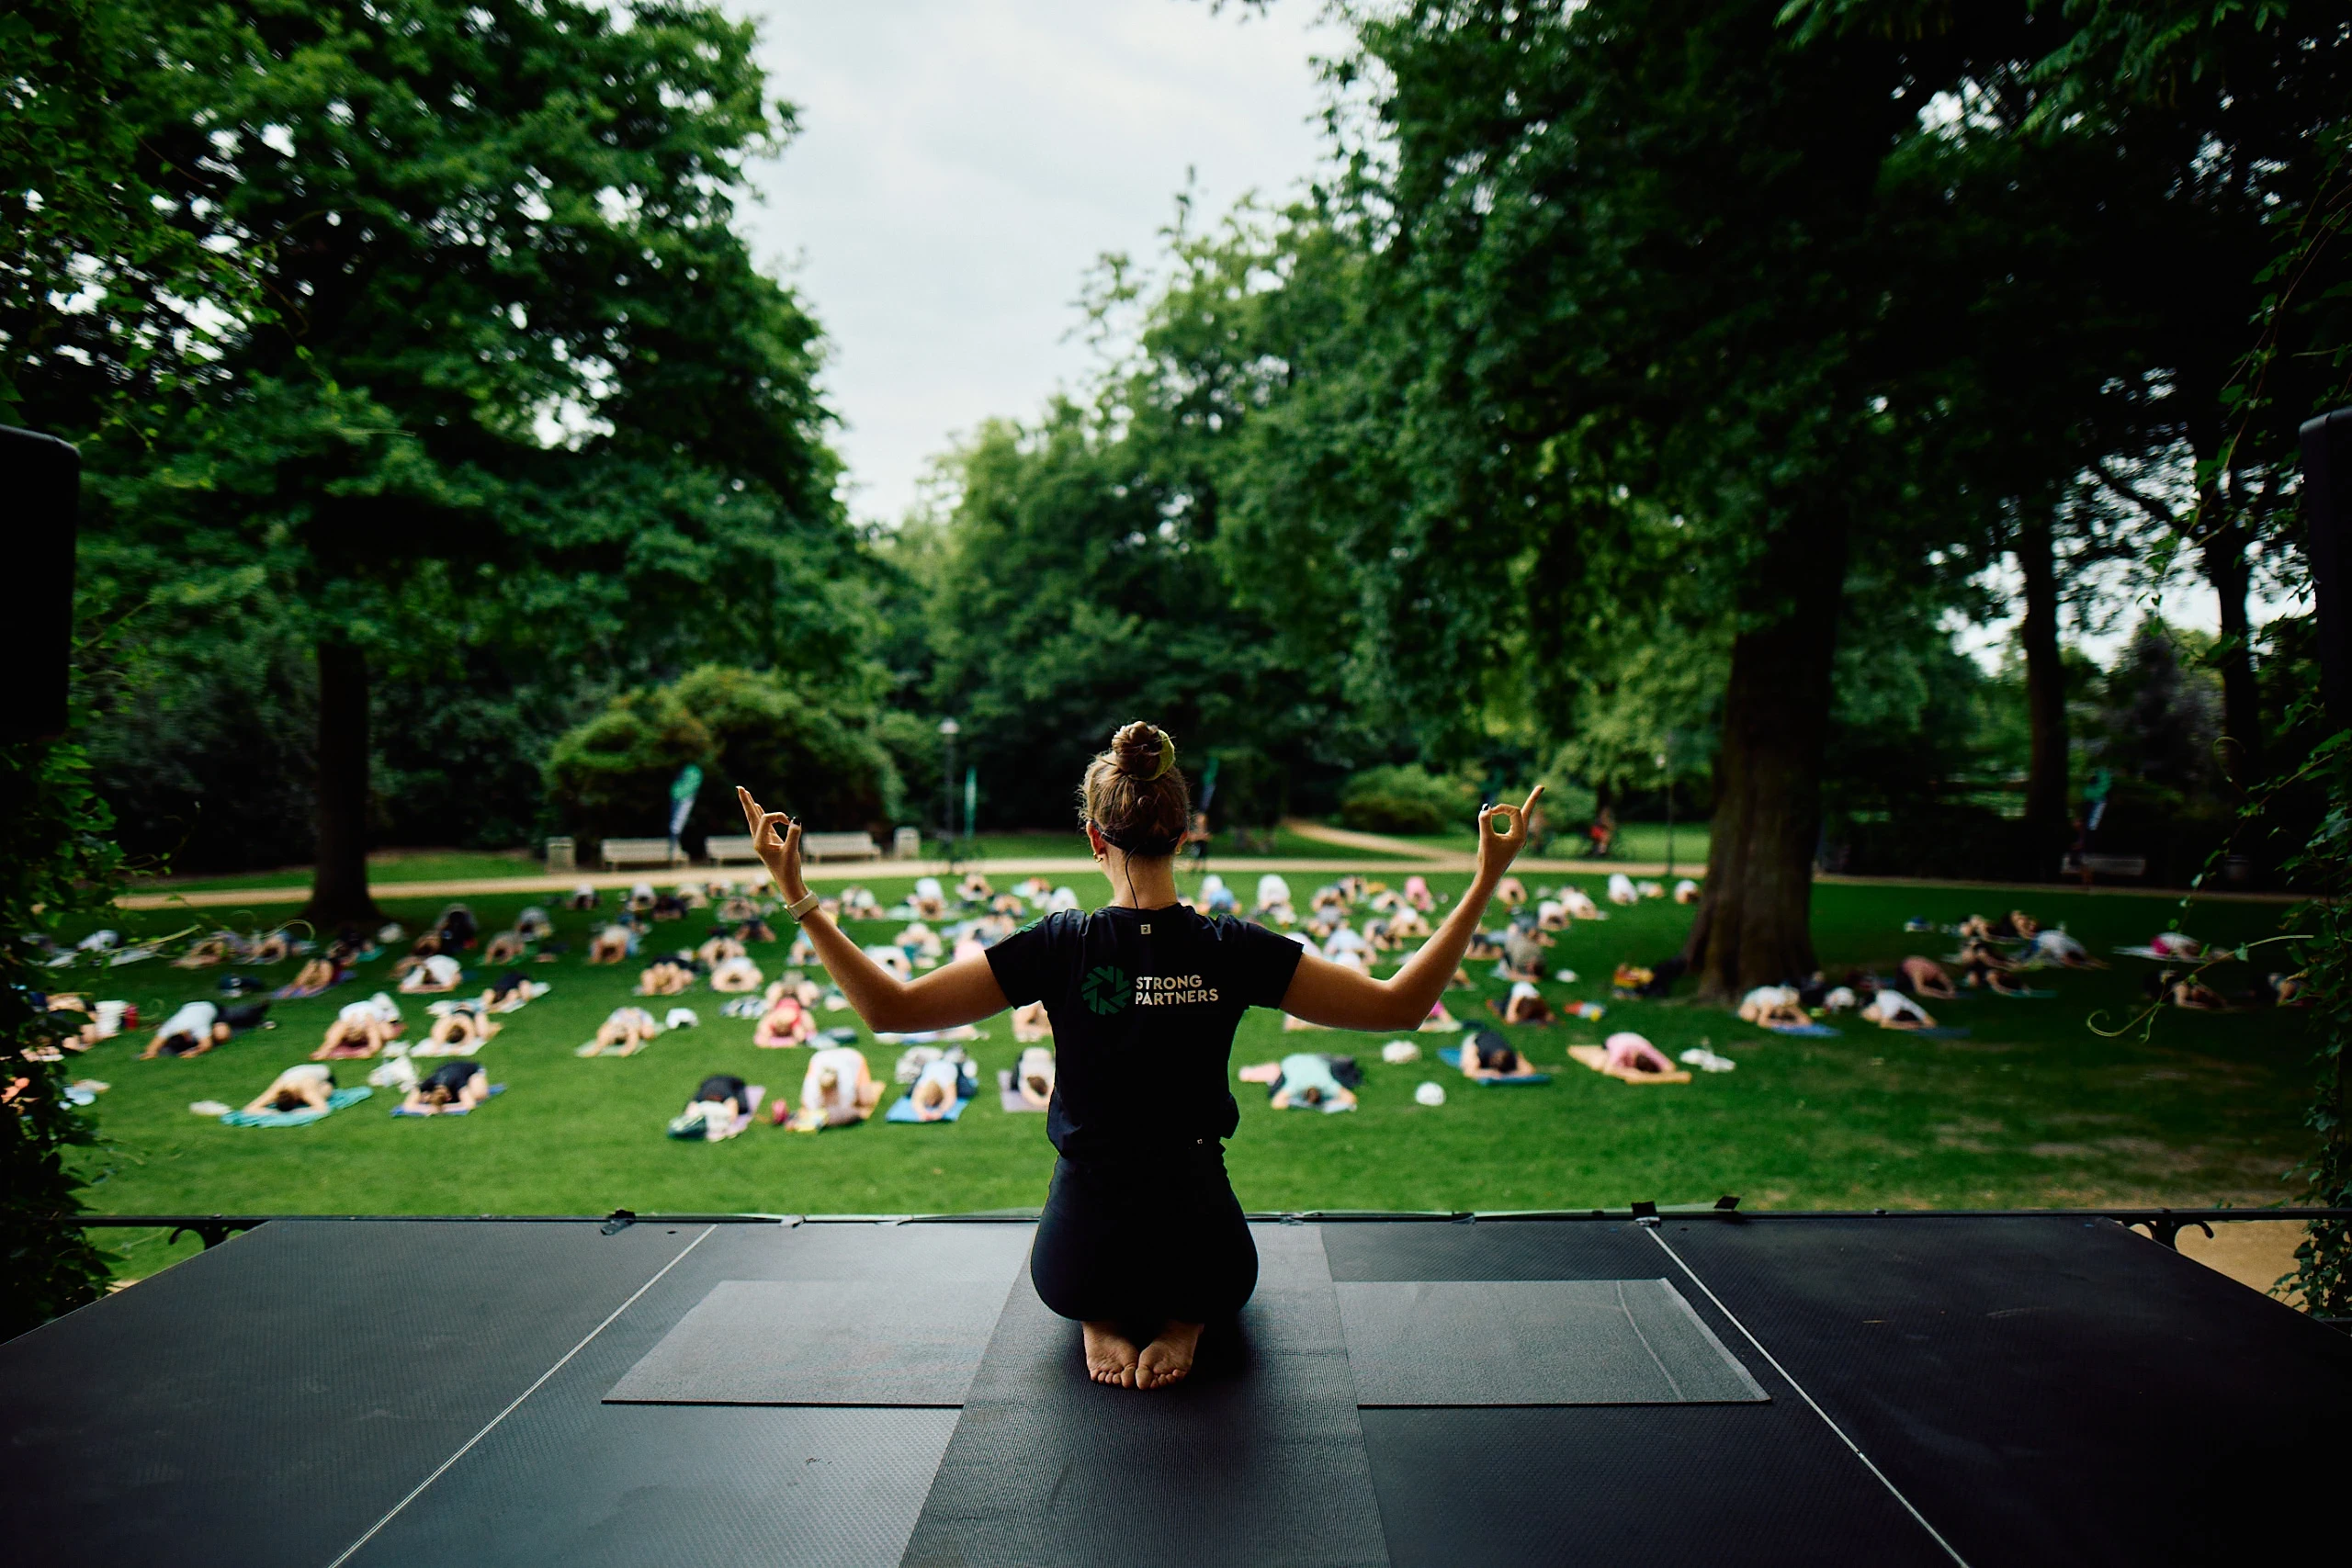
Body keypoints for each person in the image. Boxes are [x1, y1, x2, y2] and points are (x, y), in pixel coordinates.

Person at [736, 722, 1541, 1393]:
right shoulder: (1231, 948)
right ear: (1183, 832)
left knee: (1085, 1272)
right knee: (1205, 1271)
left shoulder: (1060, 946)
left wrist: (798, 895)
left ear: (1094, 837)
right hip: (1208, 1258)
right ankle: (1183, 1322)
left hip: (1078, 1256)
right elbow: (1401, 1002)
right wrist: (1484, 877)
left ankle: (1102, 1314)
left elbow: (891, 1009)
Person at [143, 998, 269, 1058]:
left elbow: (207, 1045)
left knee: (222, 1035)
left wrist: (195, 1052)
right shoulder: (169, 1027)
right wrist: (150, 1053)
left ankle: (255, 1009)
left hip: (213, 1009)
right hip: (191, 1006)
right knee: (221, 1032)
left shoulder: (198, 1026)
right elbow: (153, 1046)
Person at [797, 1043, 883, 1127]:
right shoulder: (811, 1092)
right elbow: (805, 1108)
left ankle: (870, 1085)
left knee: (866, 1101)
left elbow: (856, 1113)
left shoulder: (846, 1089)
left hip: (852, 1057)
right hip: (820, 1058)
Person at [314, 992, 402, 1059]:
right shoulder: (345, 1021)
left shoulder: (369, 1019)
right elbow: (330, 1042)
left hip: (372, 1010)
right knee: (330, 1035)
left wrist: (370, 1051)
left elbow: (375, 1042)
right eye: (351, 1031)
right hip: (352, 1010)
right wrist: (322, 1051)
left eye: (354, 1032)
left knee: (388, 1034)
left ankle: (387, 1009)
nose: (353, 1033)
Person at [1268, 1052, 1356, 1111]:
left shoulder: (1324, 1083)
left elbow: (1277, 1102)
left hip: (1307, 1060)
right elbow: (1276, 1103)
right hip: (1293, 1062)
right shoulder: (1299, 1084)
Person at [401, 1058, 490, 1115]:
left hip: (472, 1070)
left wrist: (442, 1109)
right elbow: (407, 1105)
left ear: (449, 1098)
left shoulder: (456, 1080)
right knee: (420, 1097)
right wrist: (429, 1109)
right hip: (445, 1068)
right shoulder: (430, 1081)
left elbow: (470, 1105)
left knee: (479, 1095)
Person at [243, 1062, 336, 1114]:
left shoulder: (307, 1089)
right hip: (295, 1075)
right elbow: (249, 1108)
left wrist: (296, 1111)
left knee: (323, 1092)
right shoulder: (277, 1089)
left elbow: (323, 1109)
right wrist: (273, 1112)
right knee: (306, 1101)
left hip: (326, 1078)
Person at [1459, 1027, 1536, 1079]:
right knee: (1465, 1063)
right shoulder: (1481, 1054)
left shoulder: (1511, 1055)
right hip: (1475, 1038)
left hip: (1492, 1036)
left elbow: (1529, 1070)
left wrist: (1511, 1073)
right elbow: (1468, 1072)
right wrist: (1488, 1073)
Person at [1863, 988, 1935, 1030]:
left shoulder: (1913, 1009)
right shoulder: (1891, 1007)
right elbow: (1883, 1024)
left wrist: (1919, 1025)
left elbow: (1931, 1023)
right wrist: (1904, 1026)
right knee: (1871, 1016)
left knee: (1874, 1016)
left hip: (1884, 996)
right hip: (1875, 997)